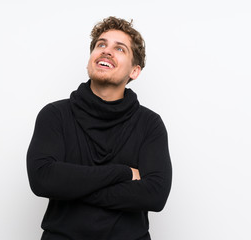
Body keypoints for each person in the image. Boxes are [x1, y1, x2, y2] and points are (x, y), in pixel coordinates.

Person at [27, 16, 172, 240]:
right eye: (101, 45)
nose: (106, 51)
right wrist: (122, 172)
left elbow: (155, 195)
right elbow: (43, 179)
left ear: (134, 71)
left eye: (120, 49)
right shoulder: (55, 115)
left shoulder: (149, 124)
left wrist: (72, 187)